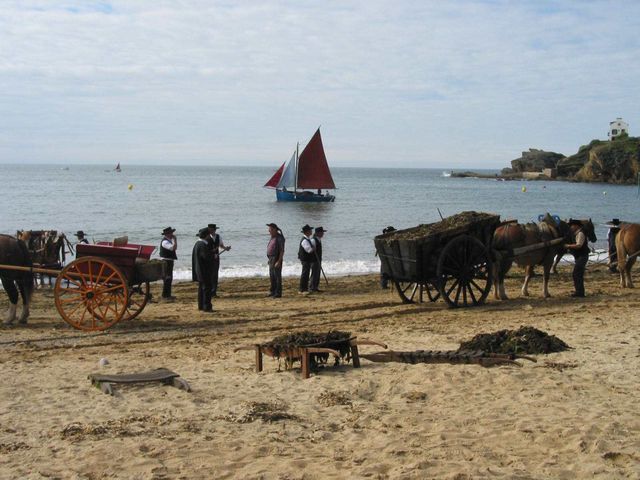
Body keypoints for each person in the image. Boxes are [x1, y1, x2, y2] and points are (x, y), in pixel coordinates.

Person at [564, 220, 591, 297]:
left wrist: (568, 246)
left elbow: (579, 245)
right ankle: (579, 291)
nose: (571, 227)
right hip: (580, 256)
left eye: (572, 225)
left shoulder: (580, 233)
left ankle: (580, 292)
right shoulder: (577, 233)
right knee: (577, 274)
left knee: (577, 274)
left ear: (576, 226)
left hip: (582, 256)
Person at [192, 228, 213, 312]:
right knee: (207, 288)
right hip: (204, 270)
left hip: (199, 270)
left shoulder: (197, 243)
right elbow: (206, 257)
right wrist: (213, 256)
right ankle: (206, 307)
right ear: (206, 236)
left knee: (201, 289)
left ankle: (201, 305)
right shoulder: (202, 245)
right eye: (208, 235)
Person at [207, 224, 230, 297]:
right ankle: (208, 291)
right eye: (210, 230)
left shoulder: (218, 236)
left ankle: (214, 292)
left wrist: (225, 248)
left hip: (216, 258)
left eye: (212, 230)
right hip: (208, 258)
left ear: (214, 230)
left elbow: (221, 245)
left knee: (215, 275)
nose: (211, 231)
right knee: (208, 275)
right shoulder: (206, 237)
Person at [266, 223, 285, 298]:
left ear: (274, 229)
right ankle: (273, 291)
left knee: (277, 276)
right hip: (271, 258)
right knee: (272, 276)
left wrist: (279, 261)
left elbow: (282, 251)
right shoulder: (273, 237)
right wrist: (269, 259)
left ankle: (278, 293)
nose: (269, 231)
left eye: (270, 229)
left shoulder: (280, 238)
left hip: (276, 258)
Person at [159, 226, 177, 301]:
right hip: (166, 261)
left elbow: (174, 247)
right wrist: (175, 240)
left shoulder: (169, 240)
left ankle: (168, 294)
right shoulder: (165, 242)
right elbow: (173, 248)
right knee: (167, 278)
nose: (172, 234)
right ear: (167, 234)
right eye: (170, 233)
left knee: (169, 278)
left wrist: (174, 240)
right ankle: (165, 296)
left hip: (169, 260)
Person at [298, 224, 317, 294]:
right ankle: (302, 289)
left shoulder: (307, 239)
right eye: (310, 230)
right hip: (305, 259)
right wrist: (314, 248)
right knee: (305, 274)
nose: (311, 231)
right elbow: (309, 250)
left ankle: (304, 288)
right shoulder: (304, 240)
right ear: (307, 232)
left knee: (306, 273)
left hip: (307, 259)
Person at [310, 226, 326, 293]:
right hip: (314, 259)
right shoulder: (313, 240)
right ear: (317, 233)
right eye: (322, 232)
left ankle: (315, 287)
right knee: (314, 273)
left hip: (318, 259)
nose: (323, 234)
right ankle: (312, 287)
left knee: (317, 273)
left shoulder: (318, 239)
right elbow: (311, 250)